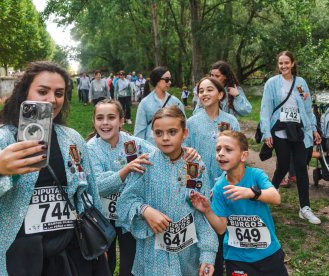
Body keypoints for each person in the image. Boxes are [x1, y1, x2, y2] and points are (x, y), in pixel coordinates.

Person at [0, 61, 110, 275]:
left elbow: (90, 193)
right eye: (42, 91)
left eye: (59, 93)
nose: (52, 99)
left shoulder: (72, 139)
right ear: (24, 93)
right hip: (17, 257)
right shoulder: (0, 137)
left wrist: (97, 238)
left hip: (70, 253)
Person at [117, 106, 218, 276]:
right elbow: (125, 202)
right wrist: (145, 210)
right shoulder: (145, 164)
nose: (165, 138)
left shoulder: (196, 166)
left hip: (187, 257)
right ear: (152, 134)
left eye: (172, 132)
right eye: (159, 133)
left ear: (184, 133)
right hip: (153, 255)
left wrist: (208, 254)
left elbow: (202, 213)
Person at [190, 131, 288, 276]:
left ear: (244, 155)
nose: (221, 153)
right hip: (237, 259)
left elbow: (275, 197)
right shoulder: (219, 188)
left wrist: (252, 193)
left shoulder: (256, 175)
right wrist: (207, 211)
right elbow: (221, 228)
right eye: (218, 149)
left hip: (268, 253)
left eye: (228, 149)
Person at [86, 99, 156, 275]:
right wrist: (125, 171)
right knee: (104, 265)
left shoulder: (134, 143)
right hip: (101, 217)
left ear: (121, 120)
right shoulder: (89, 149)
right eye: (100, 118)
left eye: (111, 117)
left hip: (129, 215)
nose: (105, 123)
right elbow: (99, 185)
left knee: (130, 263)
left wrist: (185, 152)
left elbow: (159, 155)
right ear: (94, 121)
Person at [259, 50, 322, 224]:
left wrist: (314, 129)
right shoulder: (272, 83)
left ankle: (305, 208)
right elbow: (265, 108)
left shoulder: (301, 83)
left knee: (302, 166)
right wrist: (266, 132)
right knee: (283, 165)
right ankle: (267, 197)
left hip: (299, 130)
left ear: (293, 63)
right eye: (281, 63)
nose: (284, 66)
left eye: (287, 63)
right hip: (279, 129)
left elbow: (308, 107)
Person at [187, 77, 240, 276]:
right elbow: (186, 158)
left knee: (226, 235)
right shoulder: (191, 123)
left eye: (210, 90)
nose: (205, 94)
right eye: (201, 91)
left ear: (220, 94)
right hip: (200, 190)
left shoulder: (230, 122)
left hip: (225, 188)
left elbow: (238, 155)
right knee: (205, 238)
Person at [134, 66, 185, 145]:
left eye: (170, 80)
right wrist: (140, 151)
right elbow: (139, 131)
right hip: (151, 148)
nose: (170, 82)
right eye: (167, 80)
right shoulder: (144, 103)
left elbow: (184, 126)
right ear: (157, 80)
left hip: (173, 147)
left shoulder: (176, 102)